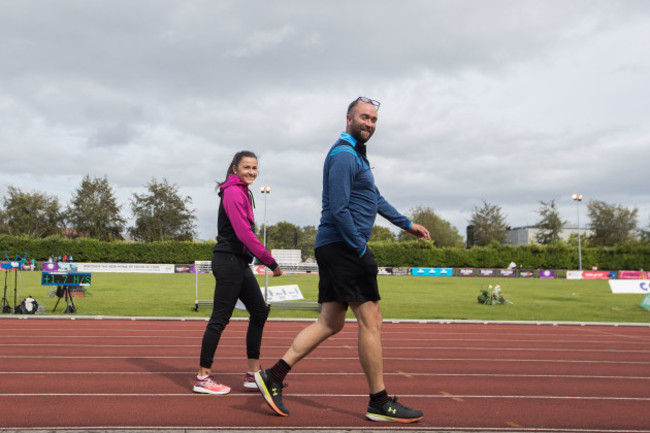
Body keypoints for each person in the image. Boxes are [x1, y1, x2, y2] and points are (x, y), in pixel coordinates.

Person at [255, 97, 430, 423]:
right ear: (349, 118)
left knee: (331, 322)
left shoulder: (357, 157)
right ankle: (378, 402)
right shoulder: (343, 155)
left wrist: (405, 224)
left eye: (374, 120)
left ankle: (273, 376)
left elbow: (373, 197)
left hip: (337, 247)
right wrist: (359, 249)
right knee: (372, 320)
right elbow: (339, 207)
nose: (370, 124)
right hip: (345, 248)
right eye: (364, 117)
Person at [193, 150, 284, 395]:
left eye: (255, 168)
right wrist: (270, 262)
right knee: (220, 318)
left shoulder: (242, 191)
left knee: (259, 311)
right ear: (235, 169)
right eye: (247, 167)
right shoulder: (233, 192)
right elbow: (244, 234)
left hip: (238, 262)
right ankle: (203, 377)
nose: (252, 172)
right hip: (228, 261)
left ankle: (253, 375)